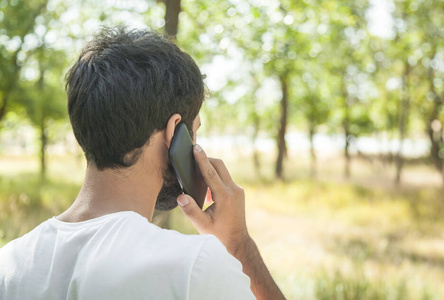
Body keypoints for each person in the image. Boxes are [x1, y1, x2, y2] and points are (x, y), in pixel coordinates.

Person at [0, 26, 285, 300]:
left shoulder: (9, 263)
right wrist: (237, 244)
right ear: (175, 131)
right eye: (194, 131)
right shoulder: (194, 267)